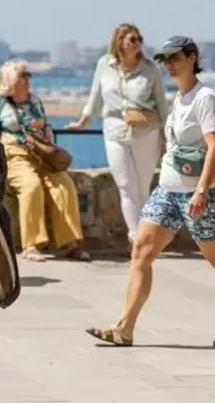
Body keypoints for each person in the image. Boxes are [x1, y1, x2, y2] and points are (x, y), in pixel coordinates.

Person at [85, 36, 215, 348]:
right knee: (141, 250)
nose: (169, 65)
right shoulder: (178, 98)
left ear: (192, 57)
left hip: (201, 193)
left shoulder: (206, 98)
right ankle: (124, 327)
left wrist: (201, 191)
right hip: (167, 191)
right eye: (165, 60)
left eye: (175, 58)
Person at [68, 23, 169, 243]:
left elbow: (162, 104)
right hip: (114, 131)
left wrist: (169, 136)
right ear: (119, 42)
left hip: (145, 133)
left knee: (142, 188)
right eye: (133, 39)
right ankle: (137, 237)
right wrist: (82, 122)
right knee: (125, 186)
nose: (137, 43)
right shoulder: (104, 65)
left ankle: (145, 235)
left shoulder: (149, 69)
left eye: (140, 39)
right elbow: (95, 98)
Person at [0, 60, 90, 262]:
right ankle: (31, 245)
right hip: (14, 154)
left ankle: (71, 243)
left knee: (64, 185)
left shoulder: (35, 101)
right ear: (10, 79)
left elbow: (45, 125)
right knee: (31, 186)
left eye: (28, 75)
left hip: (41, 154)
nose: (27, 79)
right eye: (23, 76)